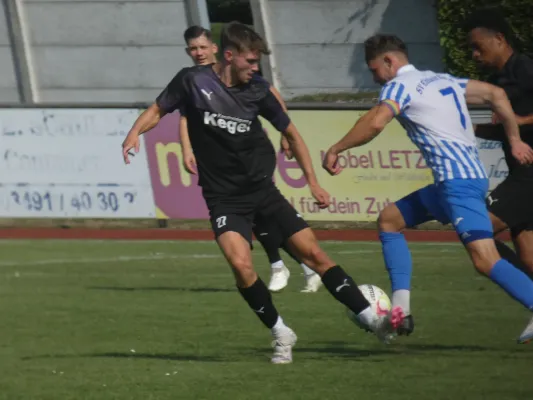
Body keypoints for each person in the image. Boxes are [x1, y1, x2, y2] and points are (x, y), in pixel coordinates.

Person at [122, 22, 404, 364]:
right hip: (224, 198)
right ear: (229, 56)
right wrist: (135, 132)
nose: (256, 68)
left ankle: (372, 320)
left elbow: (293, 135)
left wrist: (313, 182)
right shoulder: (192, 81)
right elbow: (157, 110)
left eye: (258, 62)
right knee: (240, 265)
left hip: (263, 193)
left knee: (315, 256)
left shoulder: (258, 90)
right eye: (250, 61)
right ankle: (281, 332)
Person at [322, 33, 533, 344]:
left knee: (485, 258)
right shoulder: (438, 79)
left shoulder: (399, 85)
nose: (374, 77)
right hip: (456, 182)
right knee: (390, 220)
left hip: (457, 185)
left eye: (374, 69)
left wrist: (337, 148)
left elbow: (376, 122)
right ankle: (401, 310)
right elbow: (496, 94)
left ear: (389, 61)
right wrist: (514, 138)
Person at [180, 25, 322, 294]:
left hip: (249, 160)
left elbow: (271, 96)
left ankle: (284, 264)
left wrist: (285, 135)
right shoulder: (195, 81)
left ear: (216, 49)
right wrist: (186, 148)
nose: (198, 53)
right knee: (255, 217)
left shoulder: (242, 70)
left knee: (260, 212)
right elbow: (186, 116)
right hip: (222, 167)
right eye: (192, 49)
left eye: (202, 47)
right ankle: (291, 265)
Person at [465, 10, 533, 277]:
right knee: (528, 256)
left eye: (477, 47)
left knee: (476, 227)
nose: (475, 55)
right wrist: (468, 130)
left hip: (529, 178)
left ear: (500, 39)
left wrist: (519, 121)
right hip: (520, 173)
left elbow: (516, 123)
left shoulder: (524, 67)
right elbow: (506, 131)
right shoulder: (496, 83)